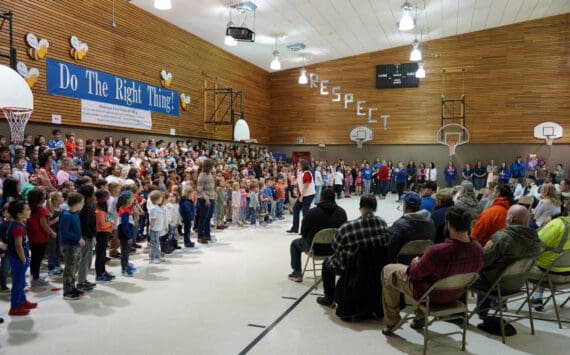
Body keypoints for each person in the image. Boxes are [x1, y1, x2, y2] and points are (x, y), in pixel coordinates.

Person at [382, 206, 484, 335]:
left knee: (388, 270)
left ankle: (392, 322)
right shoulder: (478, 249)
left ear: (449, 224)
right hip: (455, 295)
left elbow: (414, 274)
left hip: (430, 296)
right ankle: (419, 318)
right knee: (431, 277)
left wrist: (415, 263)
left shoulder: (437, 251)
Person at [474, 205, 541, 330]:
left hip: (496, 286)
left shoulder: (502, 237)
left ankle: (459, 315)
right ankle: (485, 309)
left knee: (464, 273)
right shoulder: (535, 239)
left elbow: (482, 261)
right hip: (518, 284)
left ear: (510, 219)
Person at [316, 195, 388, 307]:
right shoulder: (382, 223)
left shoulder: (348, 227)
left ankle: (329, 297)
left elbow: (335, 246)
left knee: (327, 263)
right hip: (375, 266)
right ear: (375, 208)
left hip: (350, 266)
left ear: (360, 207)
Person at [288, 188, 347, 282]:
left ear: (321, 198)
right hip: (334, 249)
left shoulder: (312, 213)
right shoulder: (341, 212)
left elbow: (303, 232)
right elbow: (344, 232)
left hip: (315, 248)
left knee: (294, 244)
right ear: (334, 198)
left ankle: (297, 273)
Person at [530, 215, 570, 311]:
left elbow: (535, 247)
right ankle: (537, 296)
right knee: (549, 263)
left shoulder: (558, 224)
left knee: (511, 265)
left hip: (548, 274)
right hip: (568, 277)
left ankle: (501, 300)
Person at [6, 200, 38, 315]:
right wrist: (23, 258)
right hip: (19, 259)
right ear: (19, 214)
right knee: (18, 283)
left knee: (21, 281)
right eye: (27, 209)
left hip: (20, 258)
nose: (29, 210)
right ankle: (14, 307)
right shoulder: (17, 227)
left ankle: (22, 301)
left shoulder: (19, 224)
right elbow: (18, 245)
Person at [388, 192, 436, 264]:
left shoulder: (399, 225)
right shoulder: (431, 222)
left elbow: (390, 249)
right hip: (423, 262)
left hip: (402, 265)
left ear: (405, 206)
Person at [26, 188, 57, 287]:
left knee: (34, 257)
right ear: (40, 198)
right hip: (40, 237)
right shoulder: (42, 210)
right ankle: (35, 278)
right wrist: (52, 232)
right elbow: (44, 224)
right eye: (43, 195)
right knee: (38, 258)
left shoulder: (29, 208)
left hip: (32, 236)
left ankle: (34, 275)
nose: (45, 196)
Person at [60, 192, 86, 300]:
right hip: (69, 245)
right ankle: (67, 291)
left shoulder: (75, 214)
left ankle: (72, 287)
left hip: (75, 245)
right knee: (69, 268)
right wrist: (78, 238)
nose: (83, 205)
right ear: (77, 203)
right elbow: (64, 232)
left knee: (74, 266)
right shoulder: (66, 215)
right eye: (82, 203)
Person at [287, 160, 316, 234]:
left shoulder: (307, 173)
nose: (297, 166)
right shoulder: (300, 172)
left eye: (299, 165)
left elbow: (306, 185)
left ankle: (306, 230)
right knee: (296, 209)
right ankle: (295, 228)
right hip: (303, 194)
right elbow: (293, 180)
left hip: (308, 194)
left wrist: (302, 196)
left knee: (305, 212)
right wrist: (287, 174)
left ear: (303, 165)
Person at [77, 185, 97, 291]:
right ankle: (81, 282)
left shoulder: (89, 207)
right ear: (88, 197)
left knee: (88, 259)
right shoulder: (86, 209)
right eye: (93, 194)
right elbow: (85, 225)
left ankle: (84, 279)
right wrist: (90, 236)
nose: (95, 196)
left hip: (89, 237)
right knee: (84, 260)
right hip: (87, 238)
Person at [94, 189, 115, 282]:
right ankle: (99, 274)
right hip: (101, 234)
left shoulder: (103, 210)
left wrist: (110, 222)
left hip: (106, 233)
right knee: (100, 255)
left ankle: (103, 271)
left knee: (103, 255)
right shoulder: (98, 211)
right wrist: (110, 223)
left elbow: (108, 219)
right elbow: (103, 225)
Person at [196, 159, 216, 243]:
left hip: (212, 197)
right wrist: (206, 197)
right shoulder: (202, 175)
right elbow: (199, 189)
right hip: (204, 199)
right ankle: (200, 236)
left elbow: (212, 186)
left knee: (209, 217)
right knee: (203, 218)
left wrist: (214, 193)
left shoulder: (210, 174)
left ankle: (207, 234)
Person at [117, 191, 136, 276]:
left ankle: (126, 265)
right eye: (132, 198)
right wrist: (129, 237)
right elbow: (125, 226)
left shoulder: (126, 209)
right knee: (125, 252)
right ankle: (124, 270)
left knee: (126, 251)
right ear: (127, 200)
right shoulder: (124, 211)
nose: (134, 199)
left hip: (127, 232)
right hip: (125, 235)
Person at [148, 190, 165, 264]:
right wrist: (151, 228)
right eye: (161, 198)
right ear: (156, 199)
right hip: (154, 229)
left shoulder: (157, 207)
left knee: (156, 243)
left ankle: (157, 256)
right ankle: (153, 258)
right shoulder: (153, 208)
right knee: (154, 244)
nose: (162, 199)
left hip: (158, 229)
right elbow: (152, 219)